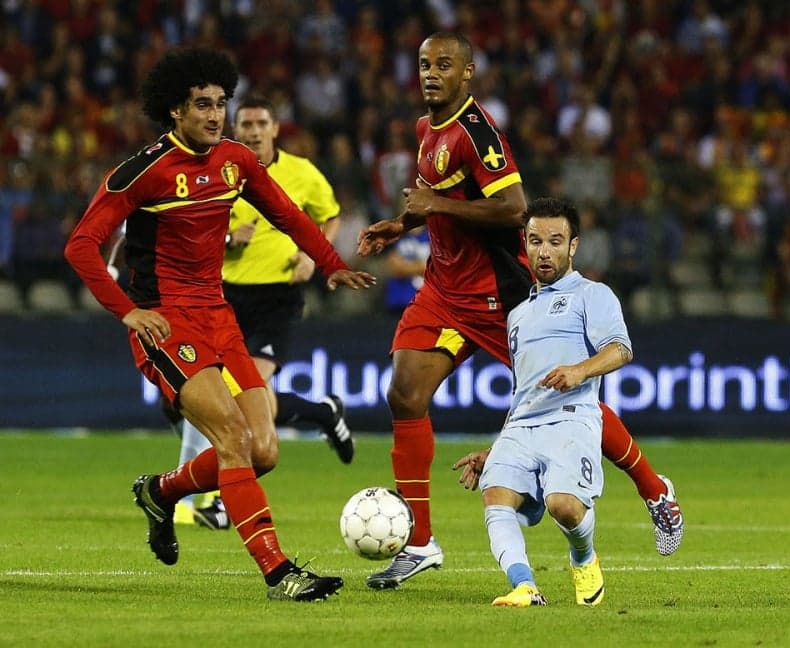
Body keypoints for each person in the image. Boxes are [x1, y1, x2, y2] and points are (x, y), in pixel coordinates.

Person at [357, 32, 682, 590]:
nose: (431, 73)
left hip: (495, 291)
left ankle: (656, 489)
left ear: (468, 73)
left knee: (563, 392)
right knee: (404, 392)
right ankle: (419, 543)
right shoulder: (425, 128)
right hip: (442, 287)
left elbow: (513, 208)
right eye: (424, 64)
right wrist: (404, 223)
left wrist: (432, 204)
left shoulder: (479, 134)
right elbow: (440, 198)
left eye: (444, 65)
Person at [64, 46, 375, 602]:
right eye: (201, 104)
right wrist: (129, 311)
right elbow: (81, 245)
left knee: (263, 450)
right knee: (233, 438)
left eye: (220, 103)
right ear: (175, 112)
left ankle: (161, 492)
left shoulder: (236, 160)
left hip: (219, 315)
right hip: (166, 323)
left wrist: (331, 266)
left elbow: (286, 213)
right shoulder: (142, 172)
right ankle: (280, 572)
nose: (215, 114)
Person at [173, 94, 356, 530]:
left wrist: (311, 256)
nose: (253, 132)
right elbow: (190, 234)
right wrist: (229, 238)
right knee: (233, 395)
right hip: (225, 295)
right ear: (236, 129)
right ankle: (321, 413)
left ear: (275, 128)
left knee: (240, 391)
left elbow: (329, 216)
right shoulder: (216, 170)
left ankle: (213, 498)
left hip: (277, 297)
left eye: (261, 123)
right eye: (246, 124)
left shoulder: (302, 173)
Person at [457, 196, 631, 607]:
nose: (544, 250)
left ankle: (583, 556)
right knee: (496, 493)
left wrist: (580, 370)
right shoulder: (518, 315)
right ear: (525, 243)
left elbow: (621, 349)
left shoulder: (593, 294)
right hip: (522, 427)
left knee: (564, 507)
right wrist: (497, 446)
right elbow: (524, 391)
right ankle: (524, 586)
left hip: (571, 420)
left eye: (555, 241)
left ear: (573, 246)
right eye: (535, 241)